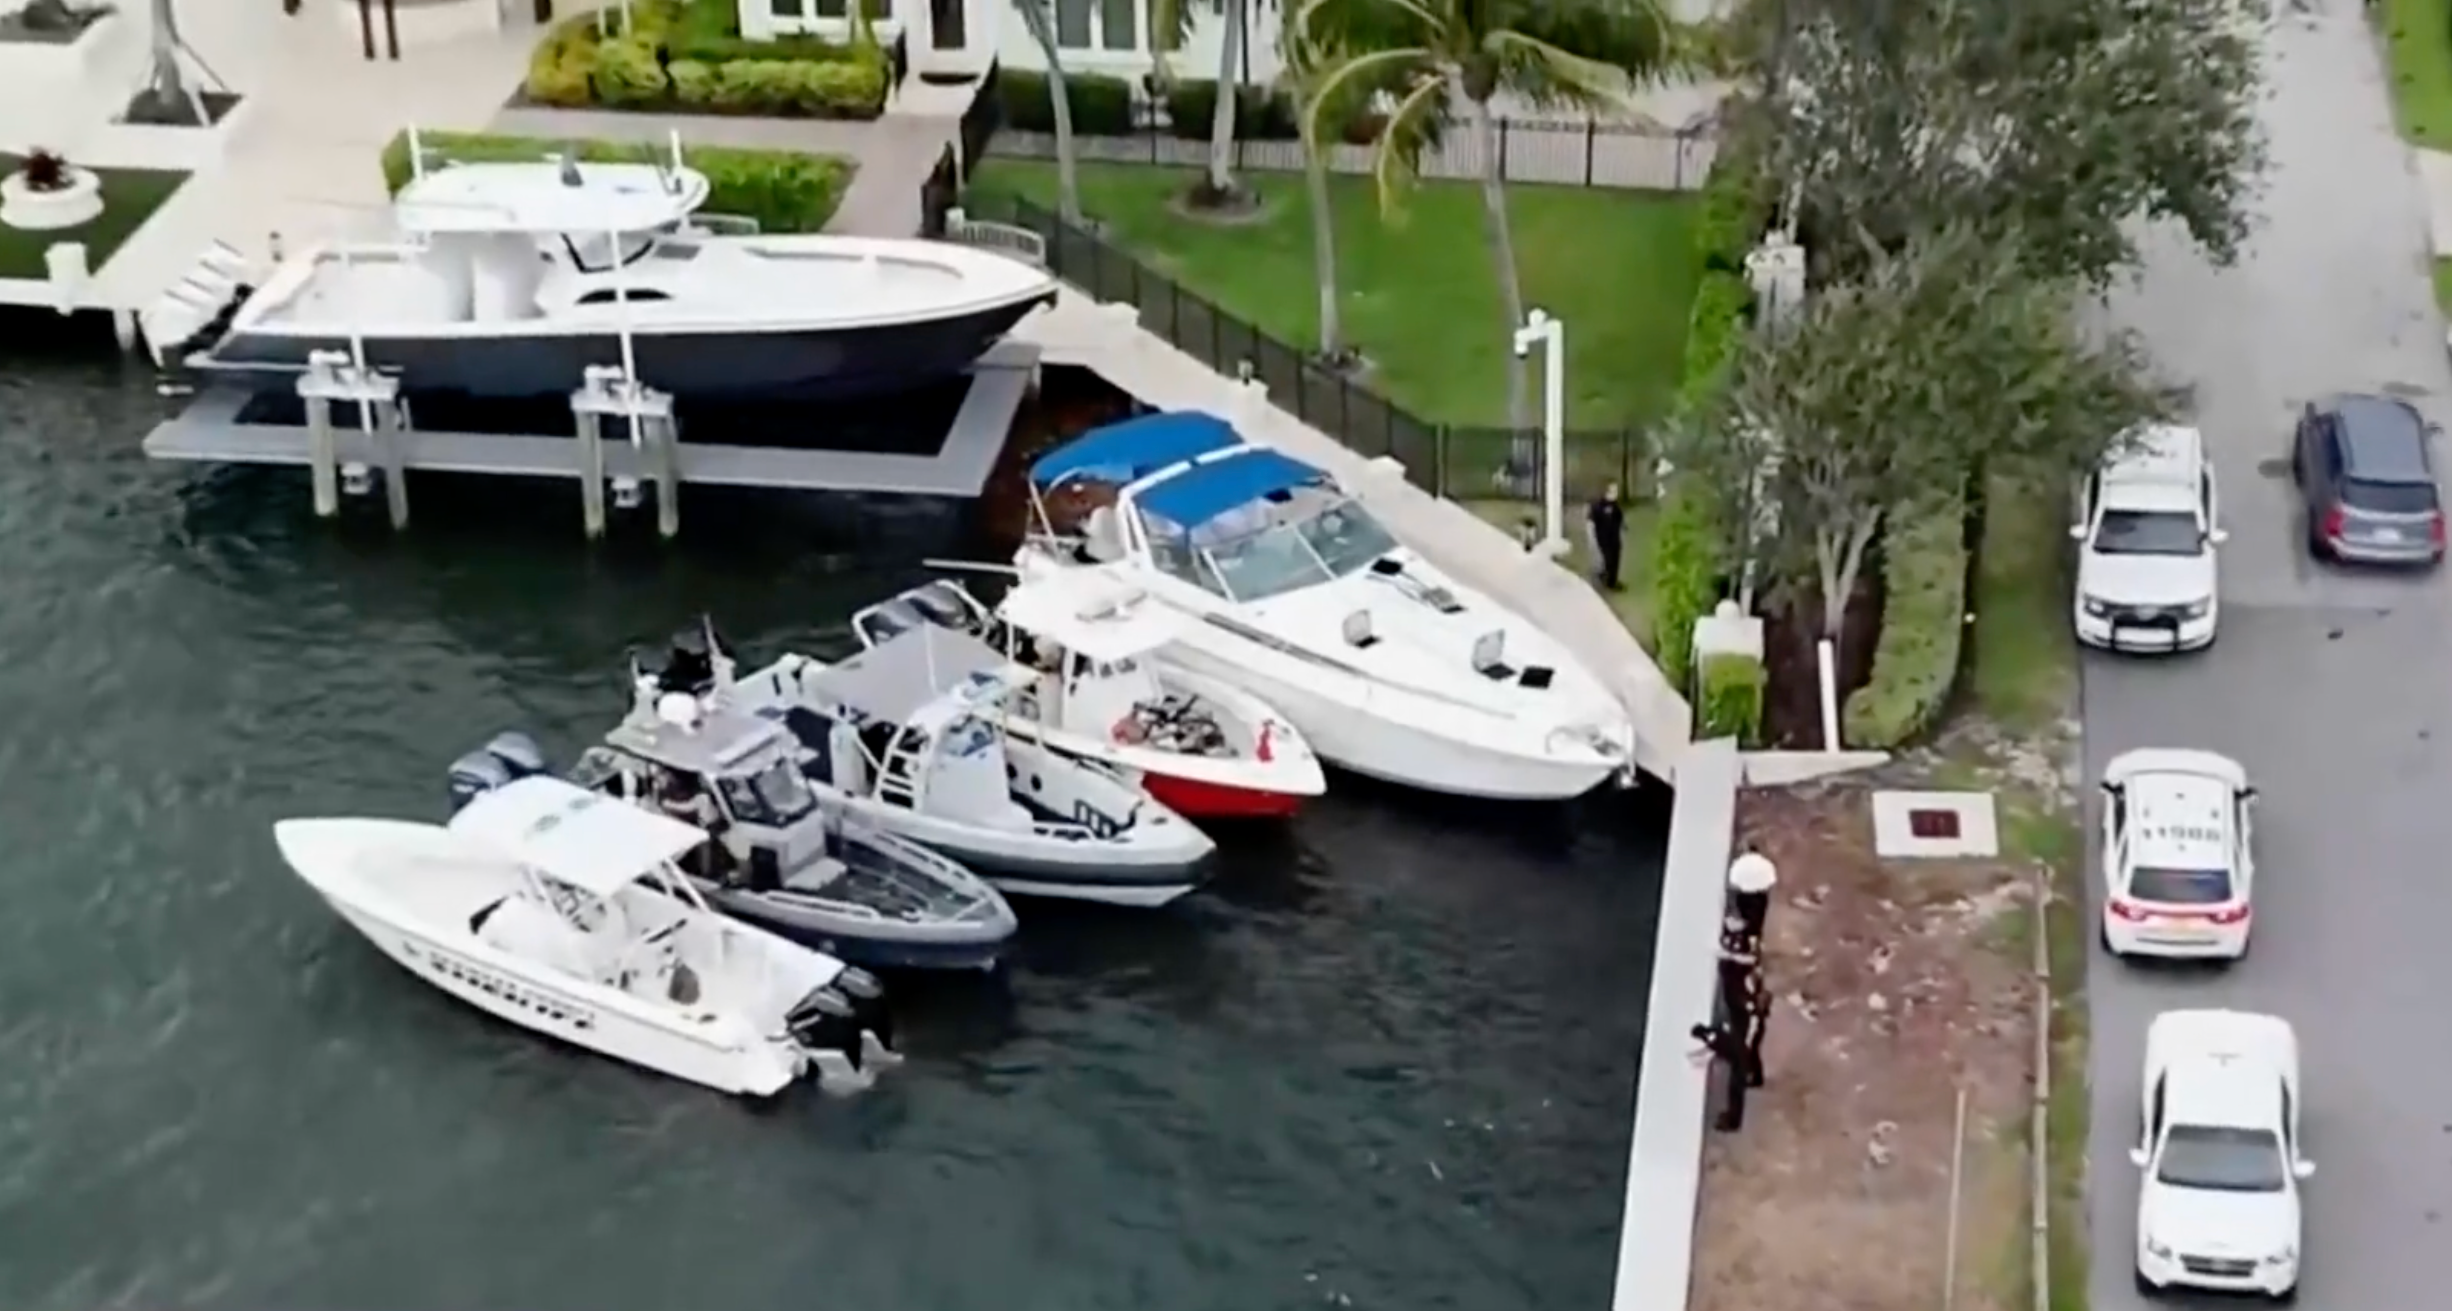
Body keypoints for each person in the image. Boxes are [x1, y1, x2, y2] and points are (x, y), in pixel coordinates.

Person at [1690, 1018, 1750, 1132]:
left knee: (1736, 1092)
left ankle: (1733, 1123)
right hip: (1739, 1058)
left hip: (1739, 1061)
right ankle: (1732, 1116)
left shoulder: (1711, 1038)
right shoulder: (1713, 1032)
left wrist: (1696, 1057)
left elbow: (1711, 1050)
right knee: (1734, 1092)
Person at [1587, 481, 1627, 590]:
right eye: (1613, 491)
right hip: (1603, 538)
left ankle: (1611, 580)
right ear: (1607, 492)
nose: (1616, 493)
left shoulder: (1616, 506)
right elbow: (1591, 521)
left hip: (1614, 537)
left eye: (1616, 491)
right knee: (1608, 559)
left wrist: (1623, 526)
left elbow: (1619, 518)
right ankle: (1608, 580)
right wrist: (1592, 538)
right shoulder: (1598, 506)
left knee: (1615, 559)